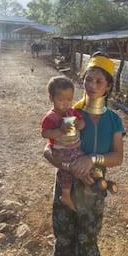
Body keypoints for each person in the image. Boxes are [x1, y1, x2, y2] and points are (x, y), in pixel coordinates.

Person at [44, 51, 125, 256]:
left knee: (88, 240)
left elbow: (117, 157)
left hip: (93, 185)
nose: (92, 86)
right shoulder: (70, 115)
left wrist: (91, 159)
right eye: (88, 80)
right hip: (67, 184)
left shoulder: (114, 120)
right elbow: (48, 150)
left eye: (99, 82)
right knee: (64, 240)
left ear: (108, 86)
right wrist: (70, 167)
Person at [41, 76, 85, 212]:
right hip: (60, 150)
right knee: (67, 169)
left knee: (83, 160)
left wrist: (80, 124)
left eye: (69, 99)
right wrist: (59, 131)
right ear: (51, 98)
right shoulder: (51, 117)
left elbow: (82, 122)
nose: (66, 104)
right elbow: (45, 133)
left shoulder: (72, 112)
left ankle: (88, 183)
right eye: (61, 100)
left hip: (73, 147)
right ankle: (65, 195)